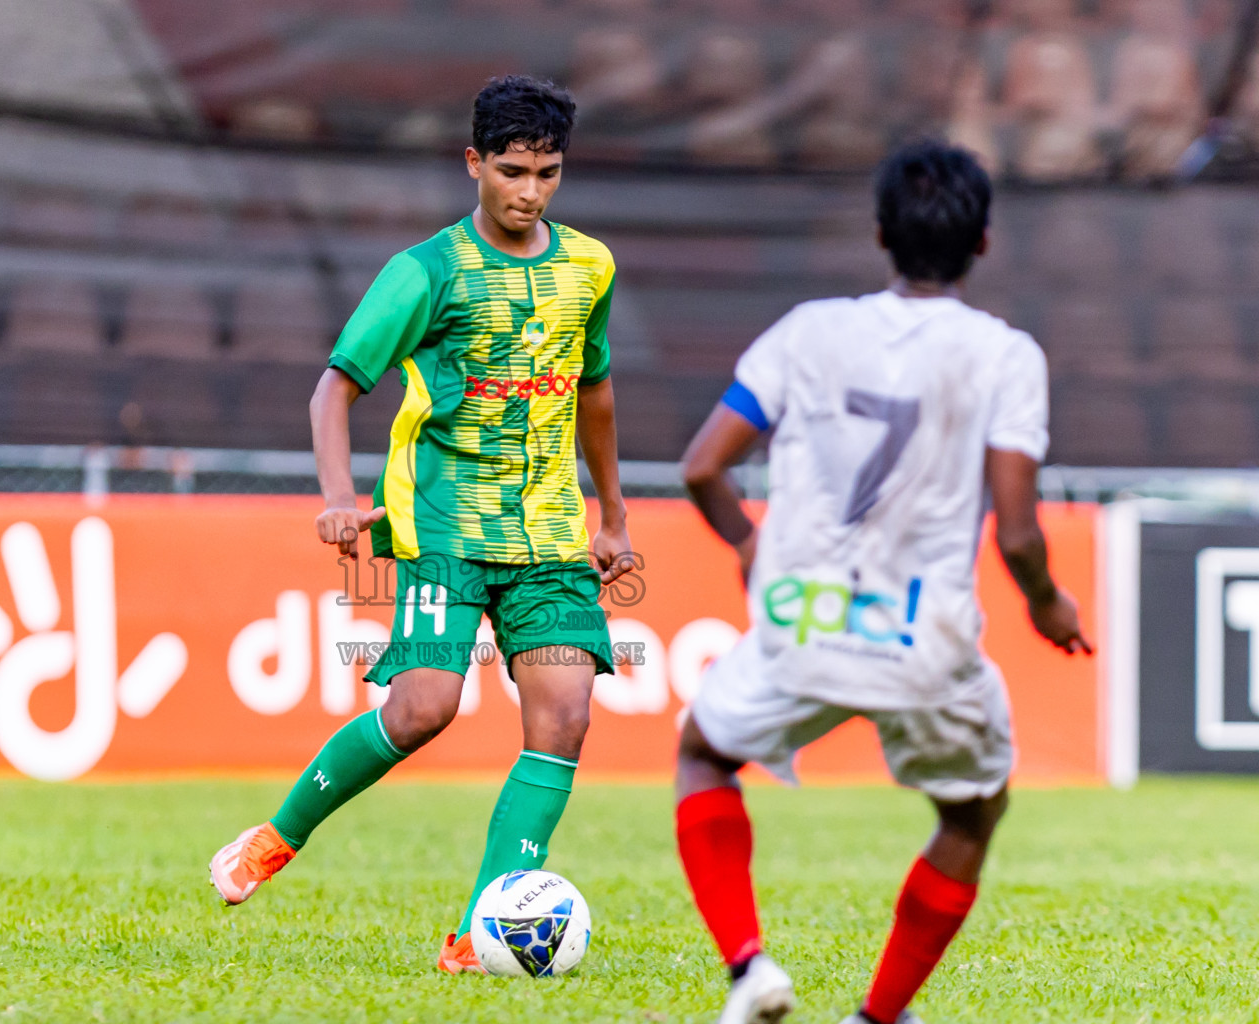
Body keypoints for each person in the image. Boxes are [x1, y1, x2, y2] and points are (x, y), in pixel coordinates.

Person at [208, 75, 635, 975]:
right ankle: (279, 836)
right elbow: (336, 388)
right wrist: (335, 496)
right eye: (513, 171)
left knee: (562, 717)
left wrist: (613, 516)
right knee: (422, 708)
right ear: (473, 163)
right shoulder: (424, 273)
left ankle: (482, 936)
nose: (529, 192)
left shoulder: (586, 267)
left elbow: (594, 392)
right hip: (444, 529)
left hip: (550, 537)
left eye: (548, 174)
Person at [673, 140, 1092, 1024]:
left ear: (879, 235)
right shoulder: (1006, 356)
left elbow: (704, 466)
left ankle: (749, 969)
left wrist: (748, 546)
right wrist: (1048, 603)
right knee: (972, 815)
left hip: (802, 623)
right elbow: (1016, 533)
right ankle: (877, 1016)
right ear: (983, 243)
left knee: (705, 755)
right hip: (924, 639)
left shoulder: (807, 331)